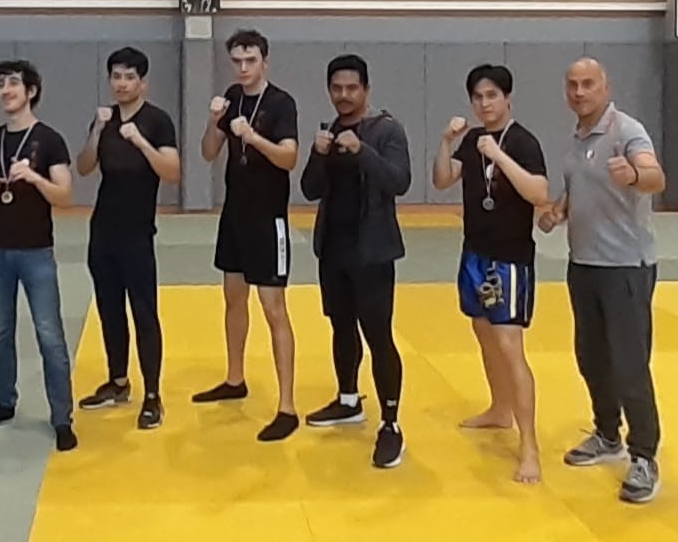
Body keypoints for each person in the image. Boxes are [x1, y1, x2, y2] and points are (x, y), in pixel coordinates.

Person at [538, 56, 666, 504]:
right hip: (584, 264)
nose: (579, 92)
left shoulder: (626, 131)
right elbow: (580, 189)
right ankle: (608, 433)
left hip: (625, 266)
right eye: (572, 85)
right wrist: (559, 210)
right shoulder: (577, 138)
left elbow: (655, 177)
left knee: (629, 364)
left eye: (588, 83)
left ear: (605, 87)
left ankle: (644, 455)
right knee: (591, 357)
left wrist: (636, 174)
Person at [431, 64, 548, 484]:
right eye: (478, 97)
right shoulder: (471, 141)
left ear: (508, 98)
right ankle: (500, 409)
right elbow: (442, 180)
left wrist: (498, 157)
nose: (485, 104)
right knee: (483, 333)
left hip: (510, 258)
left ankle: (530, 445)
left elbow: (539, 193)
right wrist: (446, 141)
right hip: (474, 253)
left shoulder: (522, 141)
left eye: (492, 96)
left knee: (509, 344)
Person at [299, 54, 410, 468]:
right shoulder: (329, 130)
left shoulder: (387, 130)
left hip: (374, 251)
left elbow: (399, 181)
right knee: (341, 326)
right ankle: (348, 400)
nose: (344, 95)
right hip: (334, 248)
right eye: (337, 88)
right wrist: (317, 154)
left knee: (378, 335)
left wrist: (362, 151)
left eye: (351, 88)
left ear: (366, 89)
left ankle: (391, 424)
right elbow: (310, 189)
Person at [193, 29, 301, 442]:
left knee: (274, 308)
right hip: (235, 216)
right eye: (237, 61)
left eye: (250, 60)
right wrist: (213, 121)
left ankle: (287, 406)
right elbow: (208, 152)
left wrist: (253, 137)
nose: (243, 68)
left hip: (268, 218)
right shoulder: (231, 98)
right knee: (233, 298)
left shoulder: (281, 103)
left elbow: (289, 158)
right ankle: (235, 378)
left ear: (264, 62)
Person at [0, 59, 78, 452]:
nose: (6, 90)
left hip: (36, 251)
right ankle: (4, 400)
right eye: (1, 84)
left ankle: (62, 417)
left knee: (49, 335)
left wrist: (34, 177)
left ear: (31, 91)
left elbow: (65, 196)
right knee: (0, 332)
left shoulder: (49, 139)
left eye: (13, 83)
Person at [74, 47, 180, 429]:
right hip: (103, 229)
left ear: (143, 83)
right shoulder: (104, 118)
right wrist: (97, 131)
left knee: (143, 312)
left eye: (129, 77)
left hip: (137, 232)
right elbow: (84, 167)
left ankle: (152, 395)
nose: (121, 84)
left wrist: (140, 142)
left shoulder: (157, 121)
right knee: (109, 308)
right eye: (116, 77)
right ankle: (118, 381)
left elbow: (172, 172)